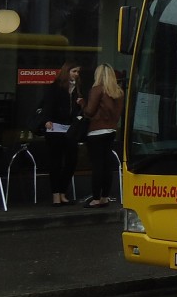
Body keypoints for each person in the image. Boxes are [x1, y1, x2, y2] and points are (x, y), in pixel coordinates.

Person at [36, 61, 82, 206]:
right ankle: (56, 194)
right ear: (67, 72)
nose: (76, 74)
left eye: (77, 72)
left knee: (71, 161)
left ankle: (62, 192)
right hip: (55, 127)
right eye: (74, 71)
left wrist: (80, 105)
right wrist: (46, 120)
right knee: (55, 161)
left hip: (69, 128)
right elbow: (47, 104)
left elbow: (77, 109)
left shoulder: (76, 89)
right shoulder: (55, 87)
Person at [80, 64, 123, 207]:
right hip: (111, 130)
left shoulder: (97, 89)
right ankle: (105, 197)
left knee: (97, 166)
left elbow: (90, 111)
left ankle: (96, 198)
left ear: (98, 75)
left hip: (96, 131)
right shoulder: (118, 92)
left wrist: (82, 104)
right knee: (107, 165)